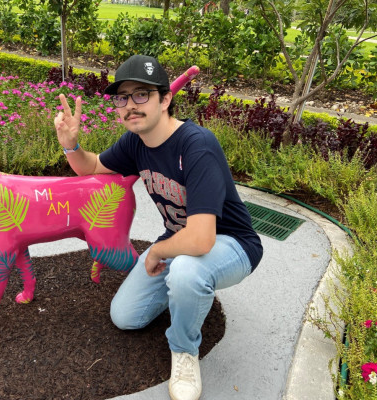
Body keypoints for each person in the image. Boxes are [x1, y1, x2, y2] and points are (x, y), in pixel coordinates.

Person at [54, 54, 263, 400]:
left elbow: (201, 238)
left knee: (185, 271)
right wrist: (71, 144)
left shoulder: (197, 146)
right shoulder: (136, 142)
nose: (130, 106)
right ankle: (193, 294)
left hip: (231, 244)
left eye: (141, 95)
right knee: (125, 316)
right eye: (122, 98)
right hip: (183, 241)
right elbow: (91, 166)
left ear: (165, 99)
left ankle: (184, 351)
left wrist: (159, 252)